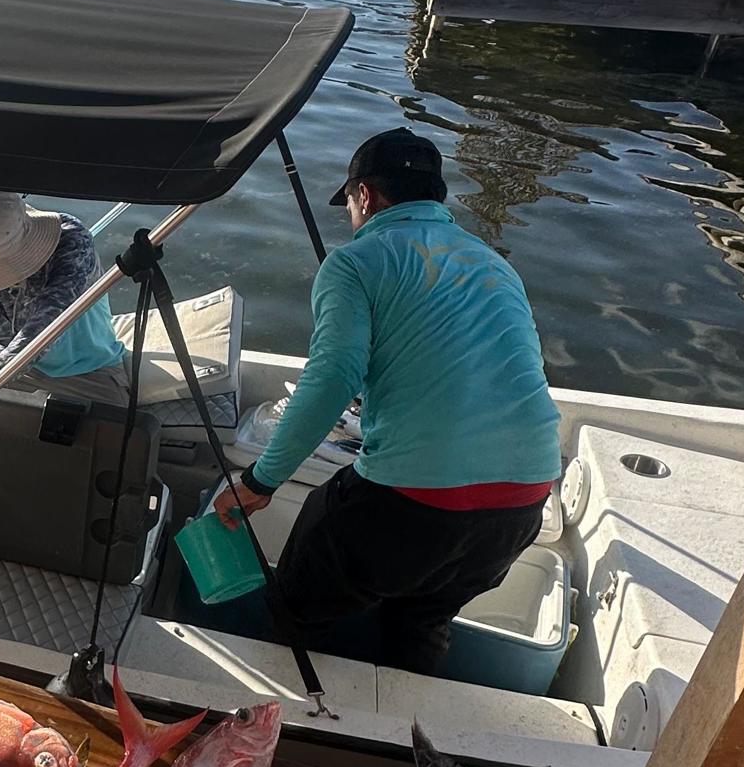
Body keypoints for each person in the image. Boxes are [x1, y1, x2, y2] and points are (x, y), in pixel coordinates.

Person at [213, 128, 559, 676]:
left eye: (349, 201)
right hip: (523, 504)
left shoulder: (354, 263)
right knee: (421, 614)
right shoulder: (495, 265)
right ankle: (399, 725)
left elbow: (332, 376)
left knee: (298, 600)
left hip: (414, 502)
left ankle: (291, 714)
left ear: (365, 196)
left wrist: (259, 481)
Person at [0, 191, 130, 405]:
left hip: (89, 370)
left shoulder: (72, 240)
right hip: (6, 364)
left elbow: (49, 322)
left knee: (109, 432)